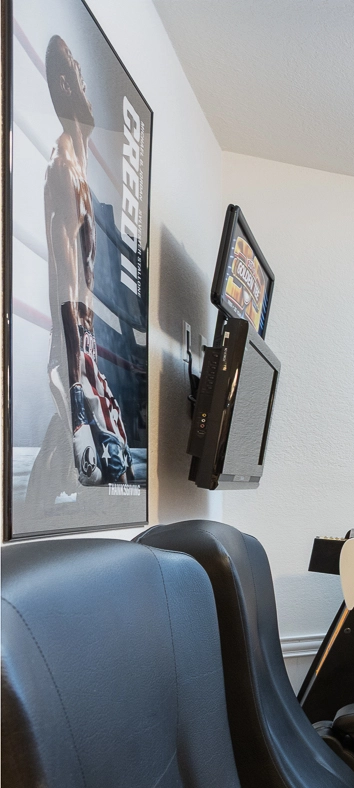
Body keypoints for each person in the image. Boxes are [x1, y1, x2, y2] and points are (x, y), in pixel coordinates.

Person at [41, 35, 134, 486]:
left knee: (114, 474)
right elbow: (66, 289)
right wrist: (79, 395)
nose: (86, 82)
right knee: (112, 475)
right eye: (78, 70)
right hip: (73, 355)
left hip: (83, 352)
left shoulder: (78, 171)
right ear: (65, 83)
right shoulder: (62, 168)